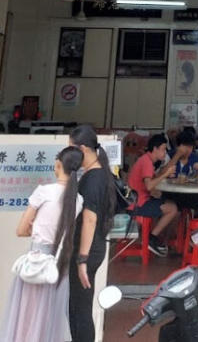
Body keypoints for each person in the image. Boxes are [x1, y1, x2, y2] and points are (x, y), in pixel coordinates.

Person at [0, 146, 83, 342]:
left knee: (26, 318)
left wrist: (33, 227)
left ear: (58, 165)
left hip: (35, 263)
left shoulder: (44, 192)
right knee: (48, 318)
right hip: (58, 265)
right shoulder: (78, 200)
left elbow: (20, 230)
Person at [68, 126, 118, 342]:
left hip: (87, 249)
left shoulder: (94, 178)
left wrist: (82, 260)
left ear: (82, 149)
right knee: (78, 307)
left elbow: (90, 219)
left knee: (80, 310)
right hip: (90, 247)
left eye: (72, 150)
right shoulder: (98, 173)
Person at [126, 132, 180, 257]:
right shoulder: (147, 162)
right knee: (173, 209)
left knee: (168, 202)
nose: (164, 153)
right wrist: (165, 175)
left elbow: (150, 184)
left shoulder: (146, 160)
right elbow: (150, 185)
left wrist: (163, 175)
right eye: (163, 149)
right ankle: (151, 238)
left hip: (137, 200)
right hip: (138, 204)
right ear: (155, 149)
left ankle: (153, 237)